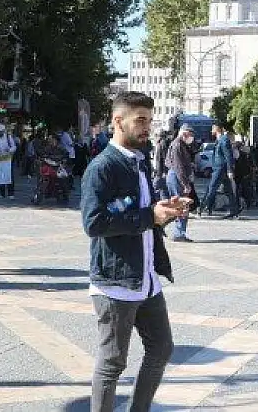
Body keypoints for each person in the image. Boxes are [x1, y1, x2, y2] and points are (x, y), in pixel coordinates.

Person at [81, 92, 186, 412]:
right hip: (116, 283)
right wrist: (148, 216)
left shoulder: (138, 163)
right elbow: (93, 223)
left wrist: (164, 210)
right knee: (112, 362)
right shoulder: (102, 167)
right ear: (118, 121)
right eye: (140, 120)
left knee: (162, 348)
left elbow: (144, 213)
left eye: (149, 121)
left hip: (146, 278)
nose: (147, 128)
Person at [165, 125, 196, 242]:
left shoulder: (181, 144)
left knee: (181, 205)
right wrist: (185, 184)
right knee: (181, 205)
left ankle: (179, 232)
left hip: (176, 176)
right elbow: (178, 167)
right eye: (190, 135)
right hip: (176, 177)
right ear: (184, 134)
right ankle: (178, 233)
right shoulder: (177, 145)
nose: (191, 138)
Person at [201, 123, 236, 218]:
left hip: (220, 169)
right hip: (219, 168)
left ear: (217, 130)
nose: (211, 131)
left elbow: (228, 156)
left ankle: (202, 208)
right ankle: (234, 210)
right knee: (228, 190)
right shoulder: (219, 139)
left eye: (212, 129)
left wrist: (230, 170)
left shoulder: (223, 140)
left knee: (211, 188)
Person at [0, 124, 17, 198]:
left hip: (8, 160)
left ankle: (11, 193)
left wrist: (9, 150)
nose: (0, 133)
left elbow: (14, 147)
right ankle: (2, 193)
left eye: (1, 132)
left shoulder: (8, 137)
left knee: (9, 176)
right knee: (0, 177)